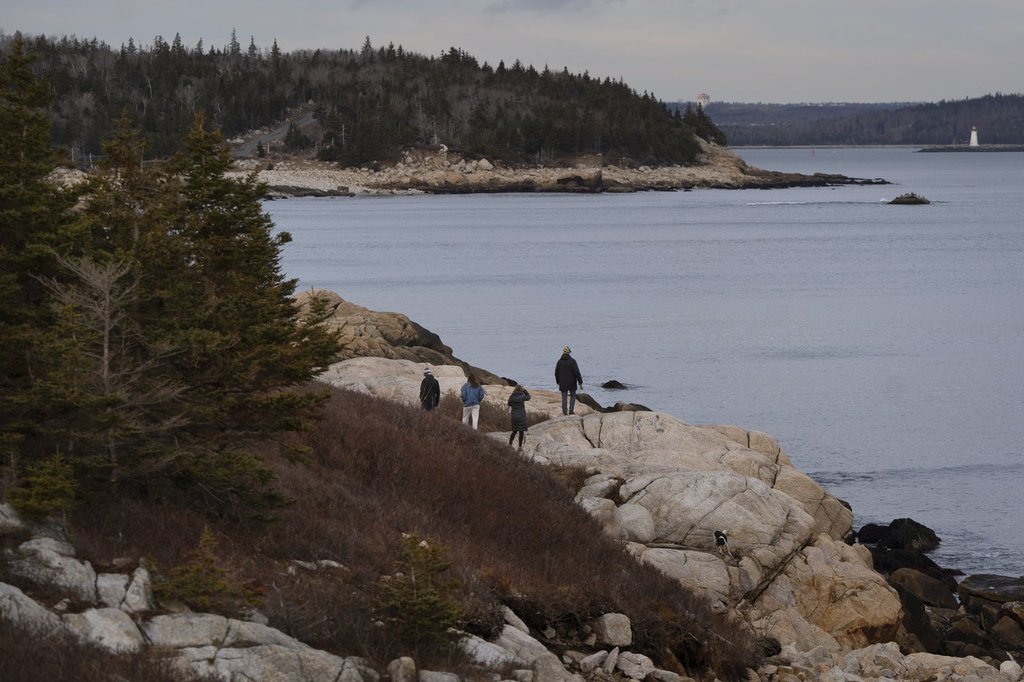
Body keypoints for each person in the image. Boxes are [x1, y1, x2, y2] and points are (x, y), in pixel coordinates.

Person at [555, 346, 583, 415]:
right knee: (573, 396)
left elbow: (556, 373)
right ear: (569, 353)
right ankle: (571, 411)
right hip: (572, 382)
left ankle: (564, 412)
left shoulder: (559, 362)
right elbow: (577, 372)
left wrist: (558, 381)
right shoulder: (572, 361)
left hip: (563, 383)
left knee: (564, 397)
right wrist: (580, 382)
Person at [507, 385, 531, 450]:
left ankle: (510, 444)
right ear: (521, 390)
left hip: (514, 416)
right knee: (521, 432)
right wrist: (525, 390)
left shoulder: (511, 397)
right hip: (521, 417)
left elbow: (509, 404)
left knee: (514, 431)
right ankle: (520, 447)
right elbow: (529, 397)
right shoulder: (522, 397)